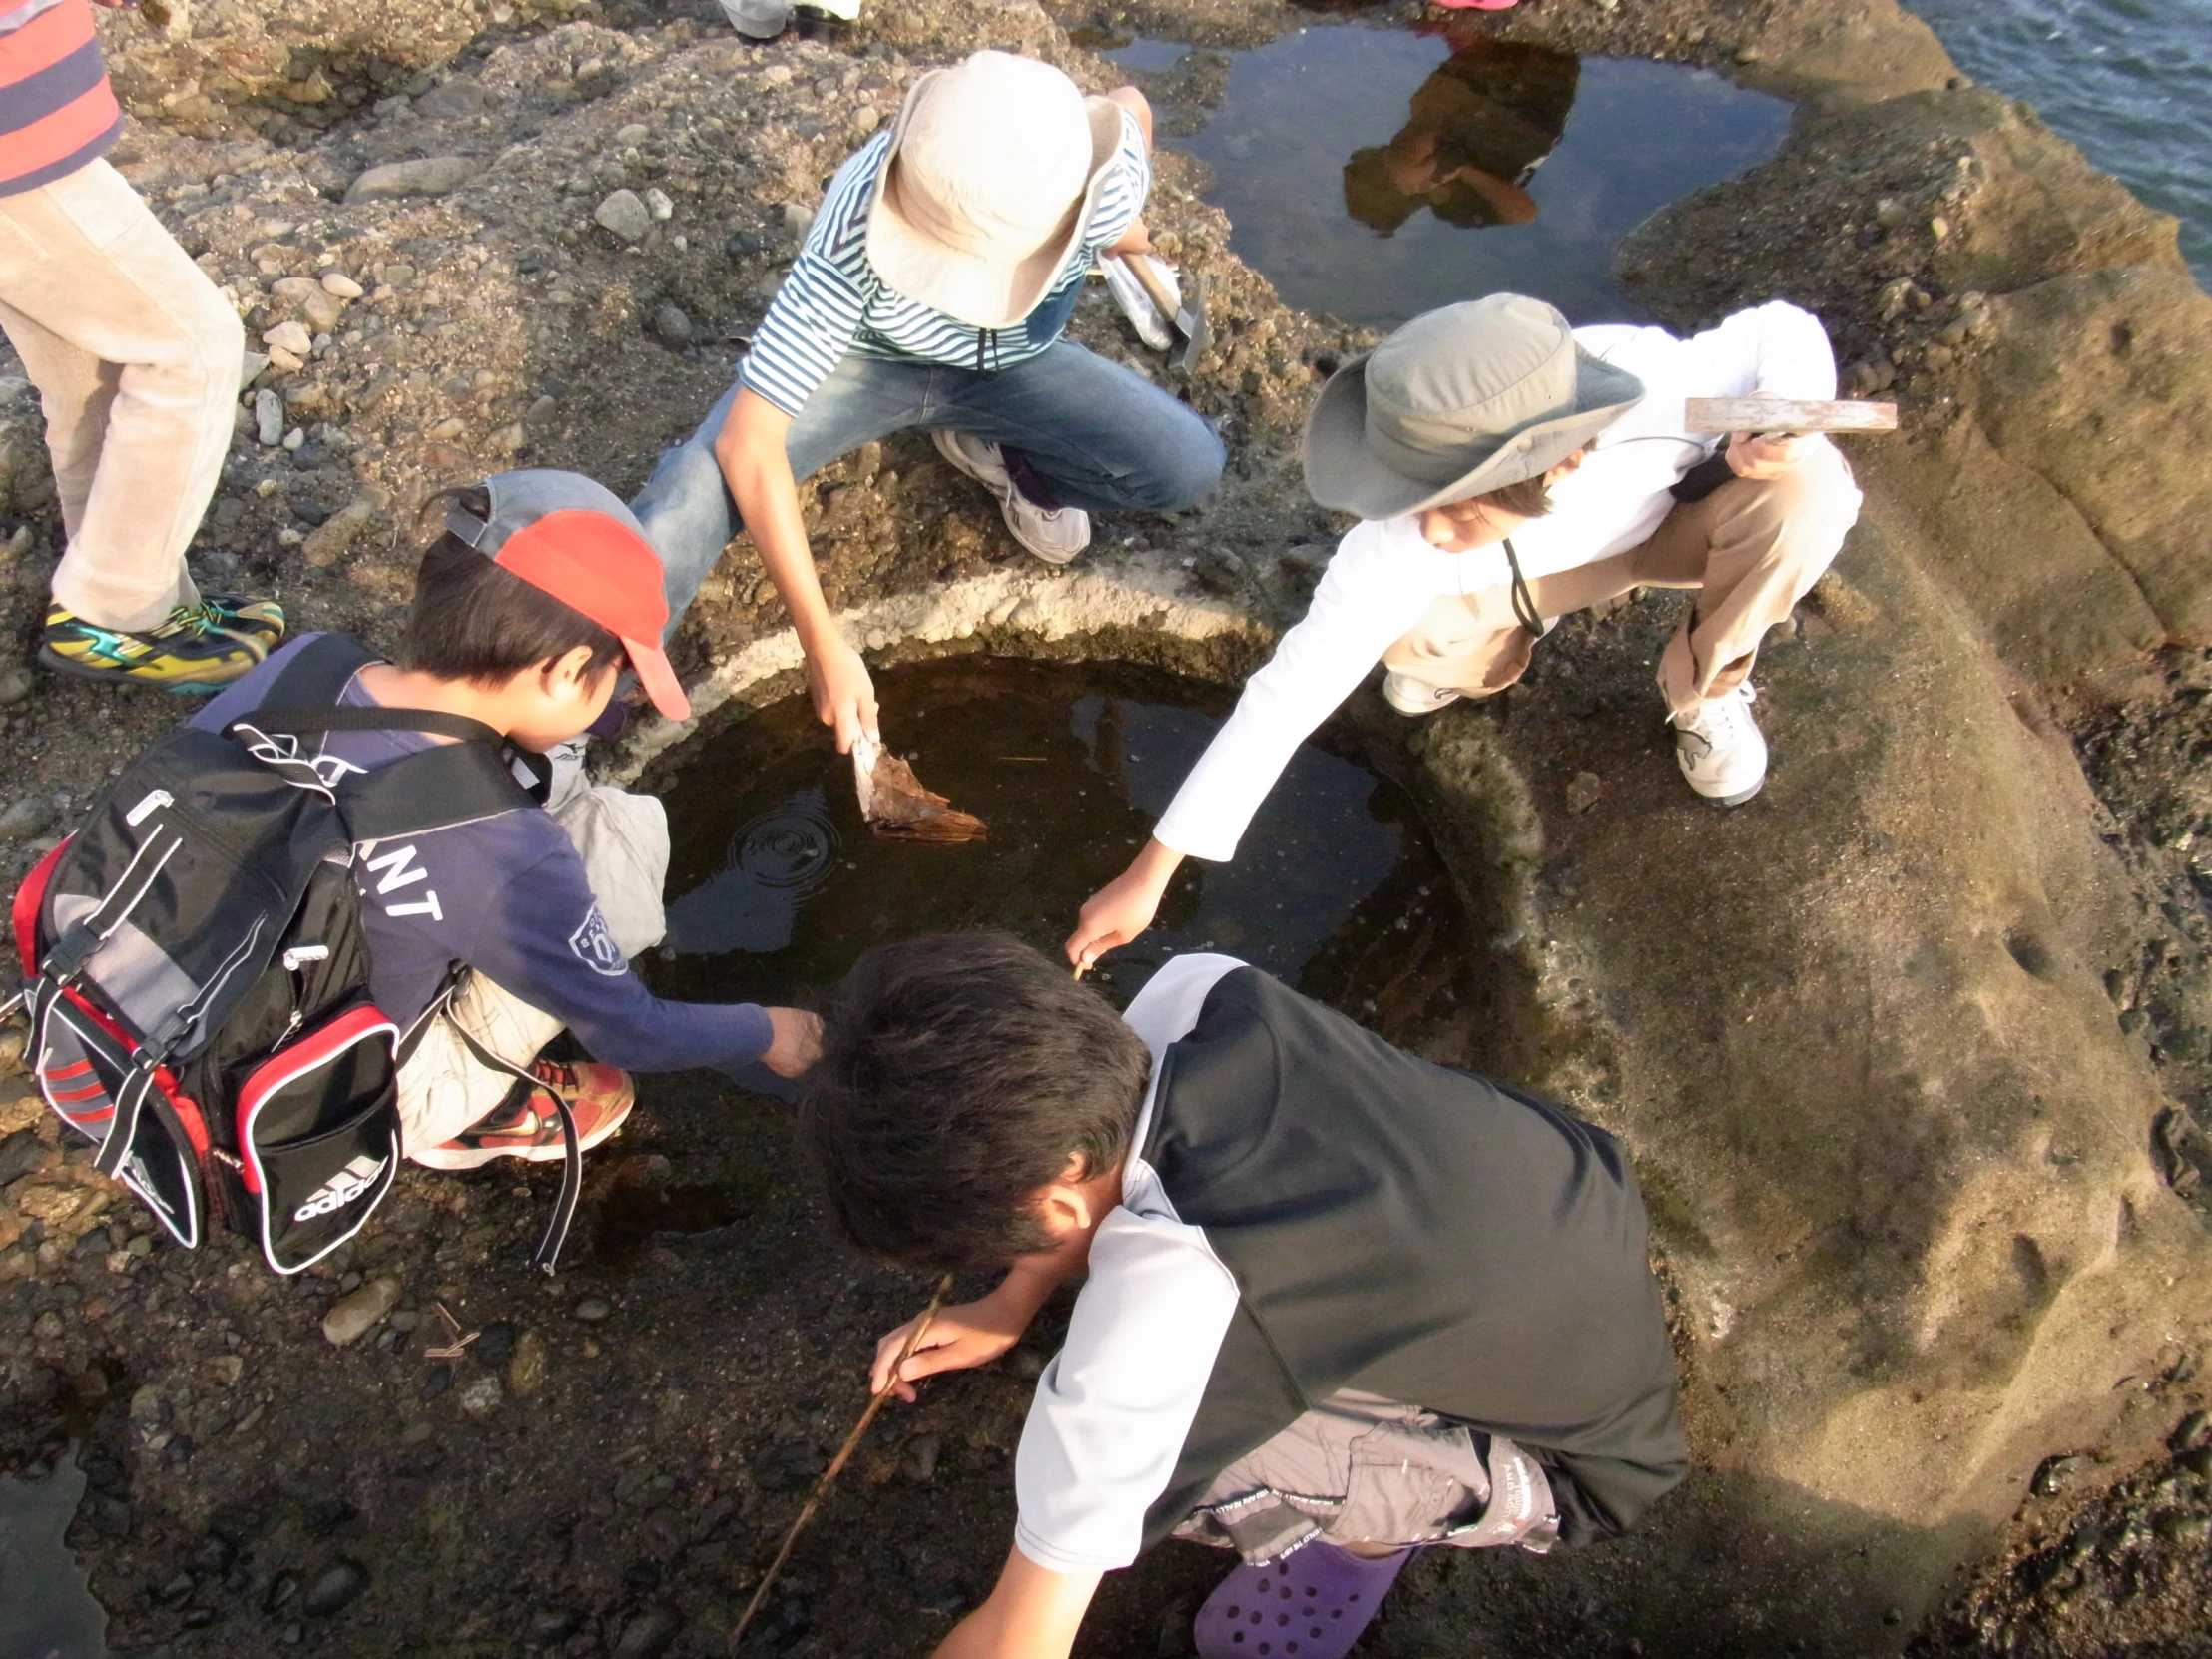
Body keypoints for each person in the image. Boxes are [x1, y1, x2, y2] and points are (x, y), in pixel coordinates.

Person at [803, 933, 1686, 1659]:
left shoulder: (1178, 1298)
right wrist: (1008, 1304)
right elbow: (1076, 1181)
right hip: (1574, 1229)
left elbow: (1016, 1642)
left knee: (1149, 1472)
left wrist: (1081, 1471)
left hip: (1577, 1467)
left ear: (1055, 1202)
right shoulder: (1200, 993)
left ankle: (1369, 1544)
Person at [1067, 291, 1862, 967]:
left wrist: (1786, 424)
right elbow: (1285, 699)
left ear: (1561, 462)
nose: (1429, 531)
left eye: (1458, 508)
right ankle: (1495, 638)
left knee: (1808, 492)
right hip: (1532, 570)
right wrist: (1151, 873)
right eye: (1412, 500)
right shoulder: (1398, 542)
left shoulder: (1659, 391)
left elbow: (1782, 330)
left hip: (1661, 530)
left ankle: (1705, 690)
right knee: (1413, 639)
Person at [194, 470, 818, 1169]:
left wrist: (590, 708)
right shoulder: (511, 856)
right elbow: (630, 1033)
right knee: (620, 834)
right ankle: (454, 1117)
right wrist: (765, 1030)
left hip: (158, 1014)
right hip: (294, 1107)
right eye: (612, 672)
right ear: (563, 670)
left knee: (553, 771)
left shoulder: (309, 663)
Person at [631, 49, 1224, 753]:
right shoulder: (855, 228)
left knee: (1187, 465)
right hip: (866, 364)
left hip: (1011, 366)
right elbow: (748, 444)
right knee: (688, 495)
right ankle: (576, 706)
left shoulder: (1094, 180)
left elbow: (1131, 103)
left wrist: (1123, 232)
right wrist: (823, 643)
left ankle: (1011, 459)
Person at [0, 0, 284, 690]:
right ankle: (113, 613)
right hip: (13, 144)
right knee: (191, 347)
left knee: (91, 372)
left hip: (27, 132)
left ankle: (124, 598)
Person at [1342, 35, 1576, 236]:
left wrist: (1414, 156)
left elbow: (1426, 131)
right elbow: (1525, 213)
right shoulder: (1456, 207)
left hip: (1486, 83)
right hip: (1537, 103)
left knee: (1428, 110)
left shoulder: (1426, 113)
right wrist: (1463, 170)